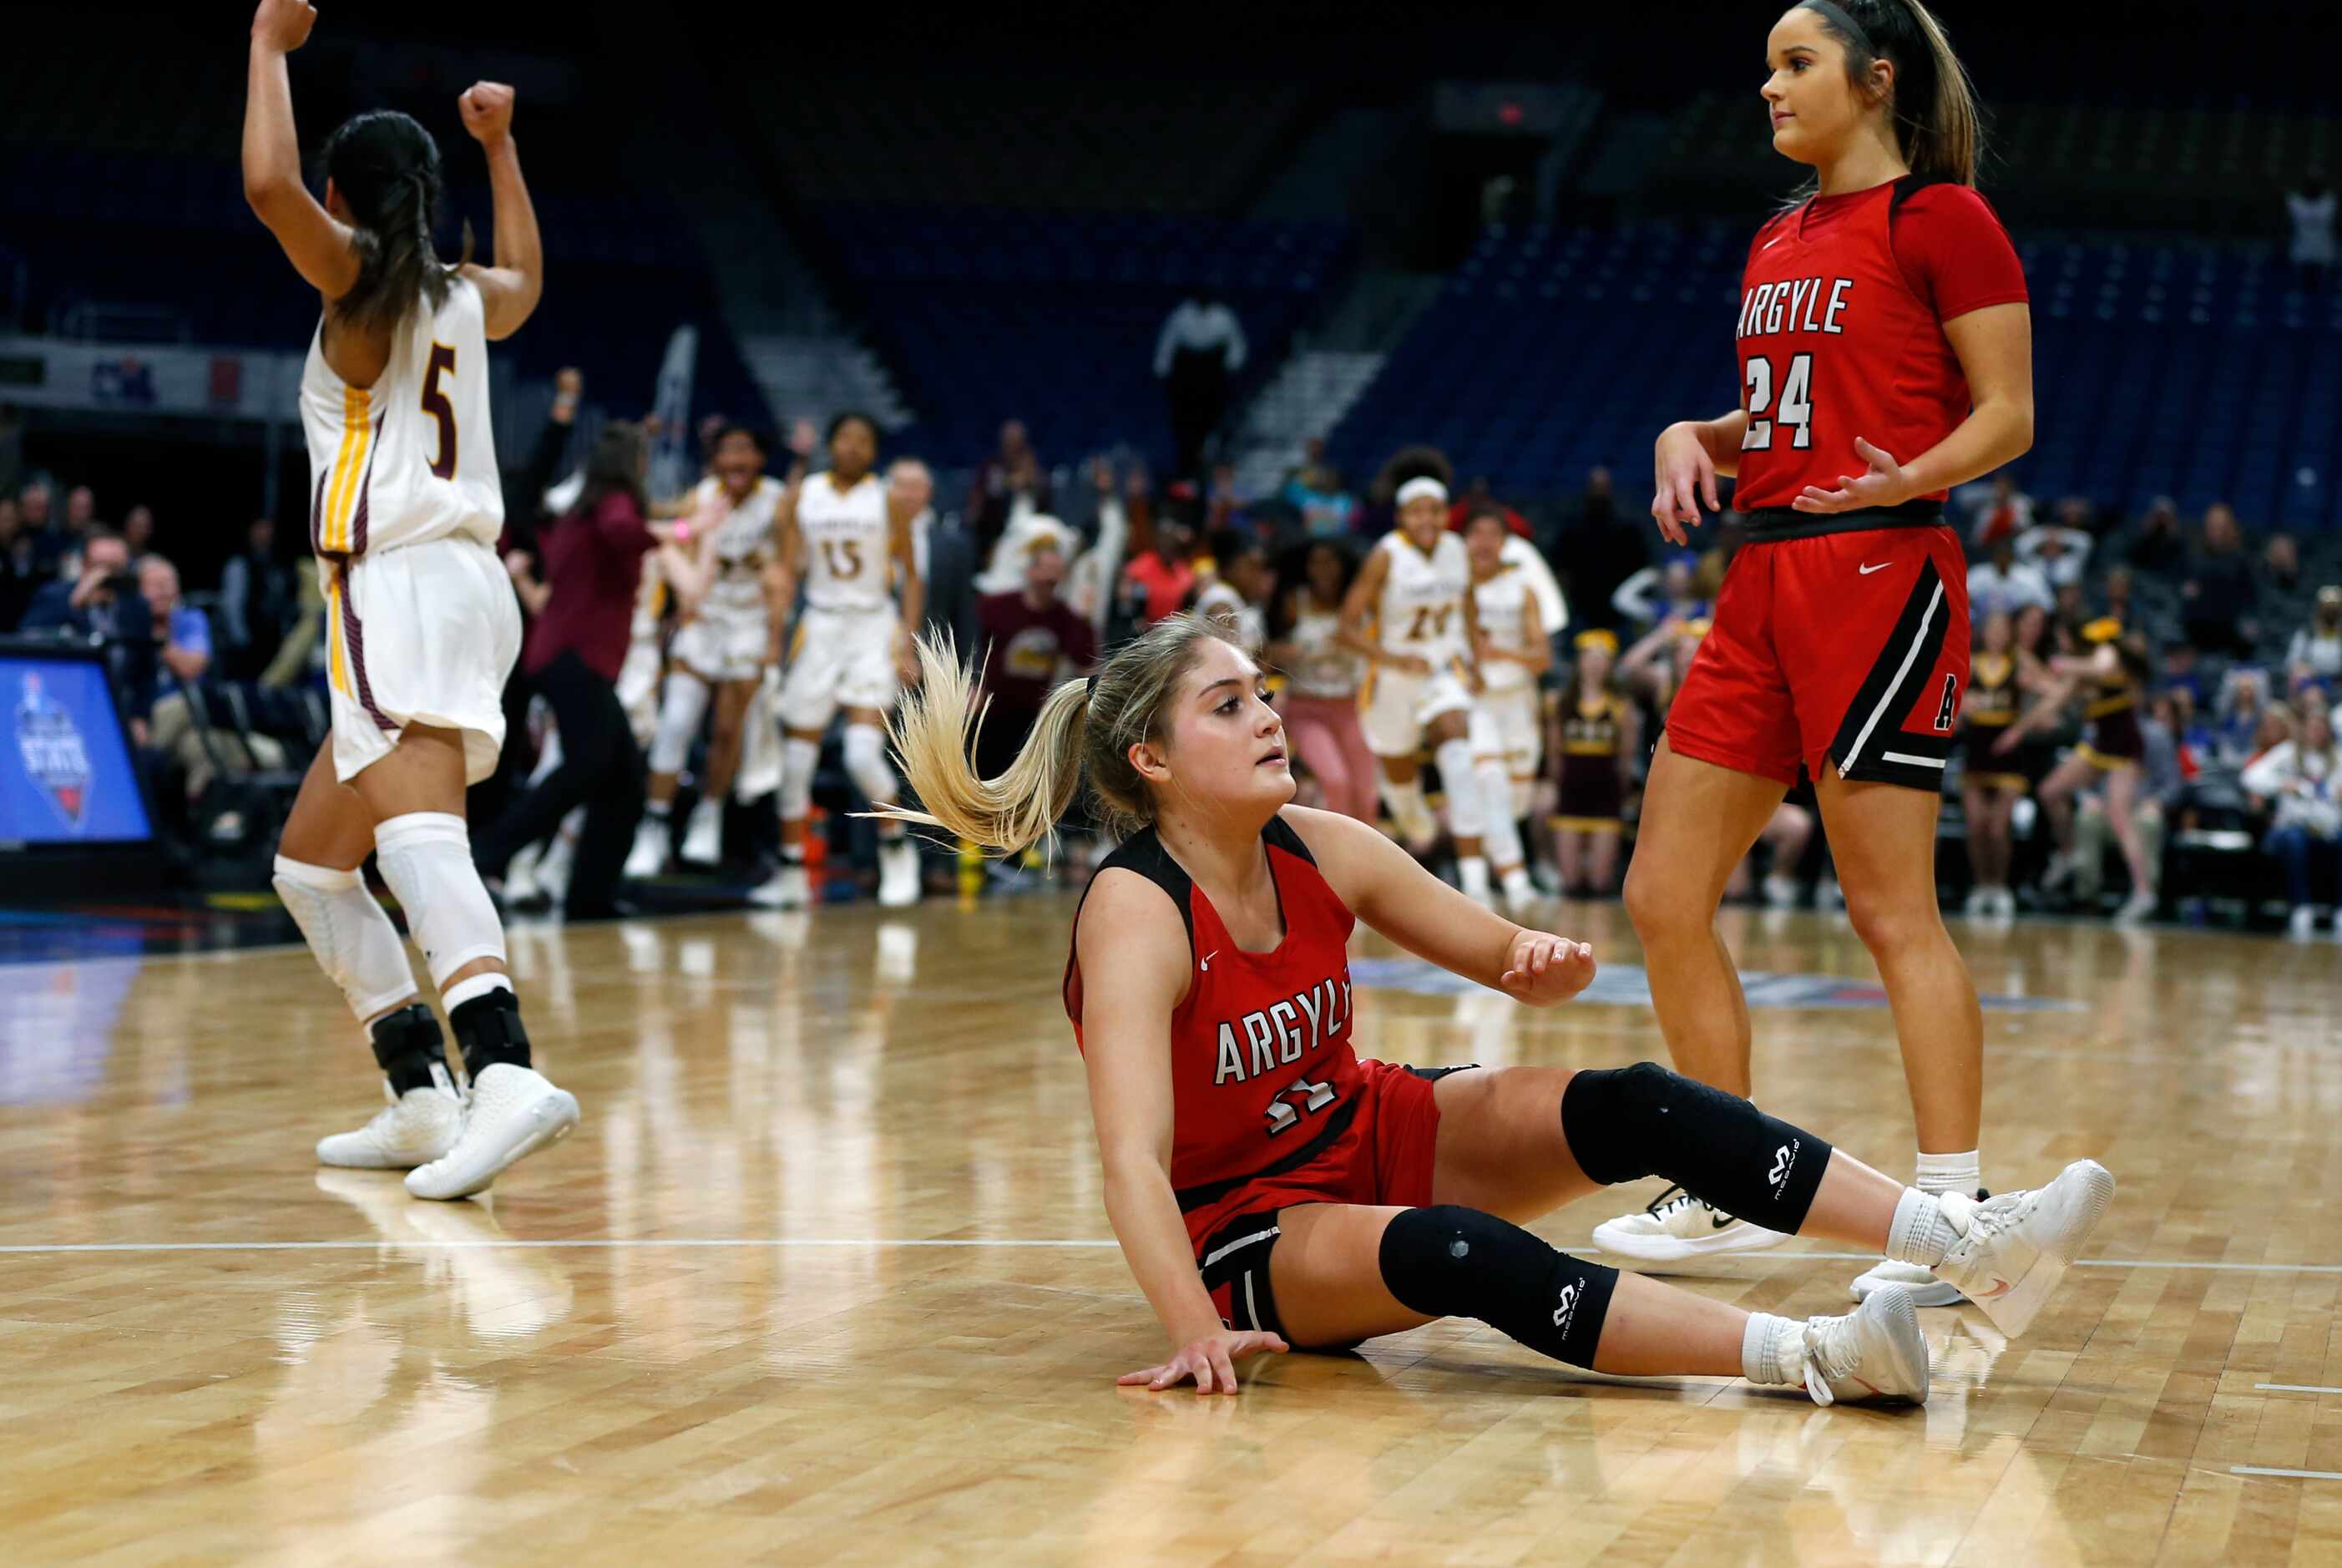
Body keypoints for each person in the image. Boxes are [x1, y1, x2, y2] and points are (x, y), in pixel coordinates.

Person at [870, 612, 2114, 1402]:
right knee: (1458, 1255)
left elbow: (1492, 946)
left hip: (1361, 1130)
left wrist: (1536, 957)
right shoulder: (1136, 910)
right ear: (1150, 760)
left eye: (1264, 690)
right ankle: (1816, 1357)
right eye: (1229, 702)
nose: (1268, 714)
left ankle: (1961, 1243)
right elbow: (1131, 1162)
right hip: (1248, 1228)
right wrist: (1195, 1328)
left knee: (1633, 1102)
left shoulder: (1319, 841)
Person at [1616, 0, 2033, 1301]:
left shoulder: (1944, 218)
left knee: (1888, 909)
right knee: (1661, 895)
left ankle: (1956, 1214)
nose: (1769, 89)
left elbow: (2009, 414)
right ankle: (1729, 1183)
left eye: (1795, 65)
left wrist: (1906, 474)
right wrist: (1695, 429)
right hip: (1762, 578)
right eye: (1764, 69)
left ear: (1875, 78)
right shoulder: (1778, 233)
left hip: (1883, 570)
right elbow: (1788, 403)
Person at [243, 0, 570, 1201]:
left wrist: (269, 51)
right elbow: (529, 278)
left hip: (398, 585)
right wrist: (500, 145)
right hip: (465, 585)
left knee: (421, 833)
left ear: (346, 193)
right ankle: (420, 1090)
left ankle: (503, 1068)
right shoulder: (459, 292)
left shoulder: (362, 283)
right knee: (312, 868)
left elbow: (268, 186)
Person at [476, 422, 670, 919]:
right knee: (588, 766)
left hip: (565, 655)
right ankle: (488, 855)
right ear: (632, 465)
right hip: (576, 658)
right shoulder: (616, 505)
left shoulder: (577, 512)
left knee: (622, 779)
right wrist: (681, 531)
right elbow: (623, 531)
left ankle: (590, 894)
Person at [756, 412, 925, 911]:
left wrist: (908, 643)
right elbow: (786, 571)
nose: (853, 447)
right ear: (831, 444)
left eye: (864, 440)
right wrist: (773, 636)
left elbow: (912, 576)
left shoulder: (888, 499)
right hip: (820, 625)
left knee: (859, 754)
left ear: (874, 451)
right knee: (795, 761)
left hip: (872, 626)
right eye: (845, 438)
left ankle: (897, 849)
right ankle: (789, 868)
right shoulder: (803, 495)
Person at [626, 425, 785, 874]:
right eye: (727, 451)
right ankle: (653, 826)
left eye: (745, 449)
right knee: (675, 724)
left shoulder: (778, 501)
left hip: (750, 623)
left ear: (759, 458)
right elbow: (676, 539)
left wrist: (775, 636)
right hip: (704, 618)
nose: (735, 460)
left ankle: (708, 815)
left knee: (727, 732)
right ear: (715, 461)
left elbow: (790, 567)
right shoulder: (701, 497)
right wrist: (678, 608)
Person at [1338, 473, 1491, 895]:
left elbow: (1469, 609)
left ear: (1446, 514)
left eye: (1436, 510)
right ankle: (1419, 829)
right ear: (1403, 516)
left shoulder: (1458, 550)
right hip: (1392, 676)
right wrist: (1393, 657)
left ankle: (1475, 883)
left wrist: (1475, 663)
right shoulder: (1385, 555)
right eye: (1418, 510)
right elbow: (1345, 629)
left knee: (1460, 754)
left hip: (1443, 670)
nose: (1428, 518)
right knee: (1401, 784)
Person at [2014, 620, 2157, 922]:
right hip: (2098, 747)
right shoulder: (2080, 672)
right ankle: (2068, 852)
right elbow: (2051, 702)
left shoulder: (2104, 654)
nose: (2061, 643)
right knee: (2049, 791)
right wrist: (2016, 732)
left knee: (2120, 818)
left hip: (2124, 748)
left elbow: (2102, 669)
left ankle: (2144, 892)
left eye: (2063, 637)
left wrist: (2060, 664)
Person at [1464, 506, 1550, 910]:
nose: (1483, 542)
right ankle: (1505, 881)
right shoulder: (1454, 589)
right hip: (1475, 700)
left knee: (1515, 800)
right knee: (1490, 785)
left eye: (1491, 534)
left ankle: (1489, 872)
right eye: (1475, 533)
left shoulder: (1522, 588)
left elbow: (1542, 657)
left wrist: (1499, 652)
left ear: (1504, 542)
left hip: (1516, 702)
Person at [1267, 540, 1376, 825]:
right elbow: (1267, 653)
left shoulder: (1358, 603)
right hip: (1307, 708)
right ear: (1307, 567)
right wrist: (1297, 651)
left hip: (1350, 706)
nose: (1323, 569)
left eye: (1330, 561)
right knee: (1335, 780)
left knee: (1367, 792)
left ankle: (1369, 861)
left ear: (1342, 566)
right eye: (1317, 562)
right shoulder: (1295, 601)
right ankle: (1339, 862)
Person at [972, 543, 1098, 786]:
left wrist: (1086, 617)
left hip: (1030, 716)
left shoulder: (1064, 617)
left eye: (1056, 572)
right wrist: (973, 685)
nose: (1050, 578)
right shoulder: (996, 606)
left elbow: (1084, 659)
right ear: (1030, 571)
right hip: (989, 709)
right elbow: (970, 646)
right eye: (1045, 569)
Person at [19, 528, 159, 739]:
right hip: (63, 706)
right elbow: (27, 641)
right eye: (101, 567)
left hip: (119, 710)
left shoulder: (136, 607)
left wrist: (141, 717)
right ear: (84, 566)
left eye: (117, 568)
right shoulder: (57, 597)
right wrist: (75, 604)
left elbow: (146, 672)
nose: (108, 576)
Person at [2242, 706, 2342, 938]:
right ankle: (2301, 908)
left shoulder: (2338, 757)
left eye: (2321, 728)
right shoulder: (2287, 753)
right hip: (2293, 827)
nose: (2317, 732)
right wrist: (2282, 784)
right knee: (2293, 840)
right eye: (2312, 727)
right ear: (2304, 729)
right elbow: (2251, 776)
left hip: (2329, 828)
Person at [1552, 630, 1638, 898]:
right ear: (1579, 662)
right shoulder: (1561, 703)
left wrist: (1620, 793)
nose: (1595, 664)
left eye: (1602, 658)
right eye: (1590, 657)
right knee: (1570, 884)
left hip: (1605, 795)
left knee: (1600, 884)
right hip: (1571, 794)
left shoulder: (1621, 707)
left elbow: (1626, 757)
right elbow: (1555, 754)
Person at [1958, 611, 2029, 917]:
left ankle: (2000, 886)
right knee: (1976, 827)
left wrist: (2021, 728)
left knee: (1999, 829)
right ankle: (1980, 885)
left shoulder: (2020, 663)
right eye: (1992, 628)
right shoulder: (1970, 661)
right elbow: (1945, 690)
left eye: (2003, 629)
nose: (1997, 634)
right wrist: (1961, 704)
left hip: (2007, 755)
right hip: (1976, 751)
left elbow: (2055, 691)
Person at [1154, 293, 1247, 479]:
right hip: (1187, 373)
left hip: (1213, 372)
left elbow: (1237, 347)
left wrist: (1230, 367)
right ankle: (1188, 465)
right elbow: (1167, 345)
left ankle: (1211, 456)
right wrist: (1162, 369)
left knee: (1213, 419)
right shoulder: (1181, 315)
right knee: (1186, 425)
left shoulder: (1223, 316)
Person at [217, 516, 298, 680]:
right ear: (251, 533)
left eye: (268, 531)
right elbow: (232, 605)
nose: (264, 536)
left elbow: (285, 603)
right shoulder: (240, 564)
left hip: (274, 640)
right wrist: (241, 638)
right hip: (247, 642)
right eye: (260, 531)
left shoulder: (279, 566)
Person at [2287, 585, 2342, 692]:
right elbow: (2292, 663)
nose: (2331, 611)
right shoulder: (2307, 633)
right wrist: (2304, 669)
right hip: (2313, 685)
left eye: (2334, 606)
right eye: (2327, 607)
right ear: (2319, 607)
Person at [2287, 175, 2334, 295]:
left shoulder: (2327, 203)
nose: (2312, 191)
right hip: (2307, 249)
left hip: (2319, 250)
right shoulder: (2327, 203)